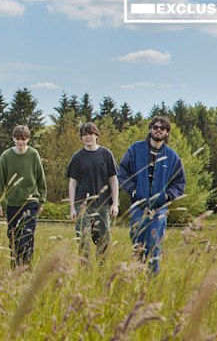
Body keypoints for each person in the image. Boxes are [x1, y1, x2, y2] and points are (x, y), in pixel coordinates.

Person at [117, 116, 185, 274]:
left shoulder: (172, 156)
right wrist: (133, 192)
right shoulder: (135, 149)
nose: (158, 130)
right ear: (150, 130)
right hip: (138, 206)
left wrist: (167, 197)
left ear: (167, 133)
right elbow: (122, 174)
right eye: (155, 127)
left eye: (162, 128)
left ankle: (151, 281)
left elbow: (179, 183)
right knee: (137, 244)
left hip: (159, 209)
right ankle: (136, 277)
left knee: (153, 245)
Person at [0, 125, 47, 268]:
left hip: (31, 202)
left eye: (24, 139)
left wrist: (42, 200)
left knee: (27, 236)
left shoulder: (34, 155)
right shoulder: (6, 156)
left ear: (28, 139)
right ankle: (15, 265)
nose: (20, 142)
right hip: (13, 203)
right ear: (13, 139)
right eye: (18, 139)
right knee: (13, 237)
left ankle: (26, 266)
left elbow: (41, 178)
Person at [66, 122, 119, 262]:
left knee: (103, 240)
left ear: (96, 135)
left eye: (90, 134)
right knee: (83, 239)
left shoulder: (106, 154)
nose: (87, 137)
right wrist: (72, 207)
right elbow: (72, 183)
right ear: (81, 138)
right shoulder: (77, 157)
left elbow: (113, 180)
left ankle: (101, 272)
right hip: (82, 205)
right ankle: (85, 271)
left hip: (102, 204)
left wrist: (115, 204)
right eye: (84, 135)